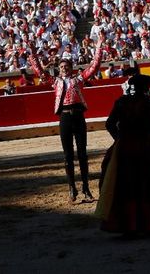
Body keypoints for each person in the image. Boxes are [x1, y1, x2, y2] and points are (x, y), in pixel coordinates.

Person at [95, 74, 150, 236]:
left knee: (125, 187)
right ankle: (146, 225)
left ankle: (126, 226)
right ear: (146, 88)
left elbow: (109, 124)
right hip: (146, 147)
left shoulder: (121, 102)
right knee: (146, 185)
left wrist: (120, 140)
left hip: (124, 149)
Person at [27, 33, 105, 203]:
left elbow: (94, 66)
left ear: (71, 67)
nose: (63, 68)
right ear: (59, 69)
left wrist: (99, 45)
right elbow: (38, 70)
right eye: (61, 66)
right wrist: (32, 51)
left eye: (66, 66)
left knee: (83, 154)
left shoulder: (78, 79)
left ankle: (85, 188)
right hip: (65, 118)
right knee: (68, 155)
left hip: (78, 116)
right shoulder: (55, 82)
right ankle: (72, 189)